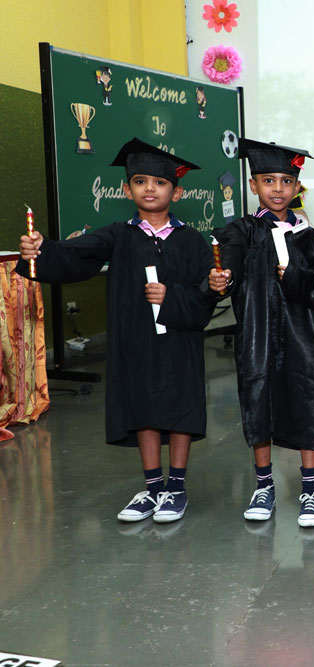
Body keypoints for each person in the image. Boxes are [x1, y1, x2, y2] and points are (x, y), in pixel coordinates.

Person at [17, 138, 214, 523]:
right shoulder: (118, 235)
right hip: (134, 339)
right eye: (140, 181)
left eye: (160, 182)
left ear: (176, 192)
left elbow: (207, 290)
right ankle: (153, 489)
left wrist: (172, 296)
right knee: (143, 408)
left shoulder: (192, 240)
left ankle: (176, 488)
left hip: (180, 338)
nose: (150, 189)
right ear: (127, 190)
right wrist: (40, 249)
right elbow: (74, 254)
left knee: (180, 408)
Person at [209, 138, 314, 527]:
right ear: (254, 185)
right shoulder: (244, 230)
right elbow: (229, 256)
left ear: (297, 186)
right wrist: (224, 275)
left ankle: (310, 489)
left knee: (305, 404)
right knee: (258, 402)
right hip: (257, 335)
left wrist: (297, 278)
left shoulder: (309, 237)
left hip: (303, 338)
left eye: (286, 181)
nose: (278, 189)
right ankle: (264, 485)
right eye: (268, 181)